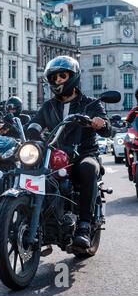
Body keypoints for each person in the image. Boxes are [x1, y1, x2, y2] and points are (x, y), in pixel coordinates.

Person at [29, 55, 112, 248]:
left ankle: (84, 225)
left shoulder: (91, 103)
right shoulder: (48, 106)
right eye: (54, 77)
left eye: (62, 76)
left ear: (73, 77)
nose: (58, 81)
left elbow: (108, 129)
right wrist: (23, 128)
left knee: (88, 168)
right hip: (56, 156)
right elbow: (34, 123)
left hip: (83, 153)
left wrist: (100, 123)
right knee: (31, 166)